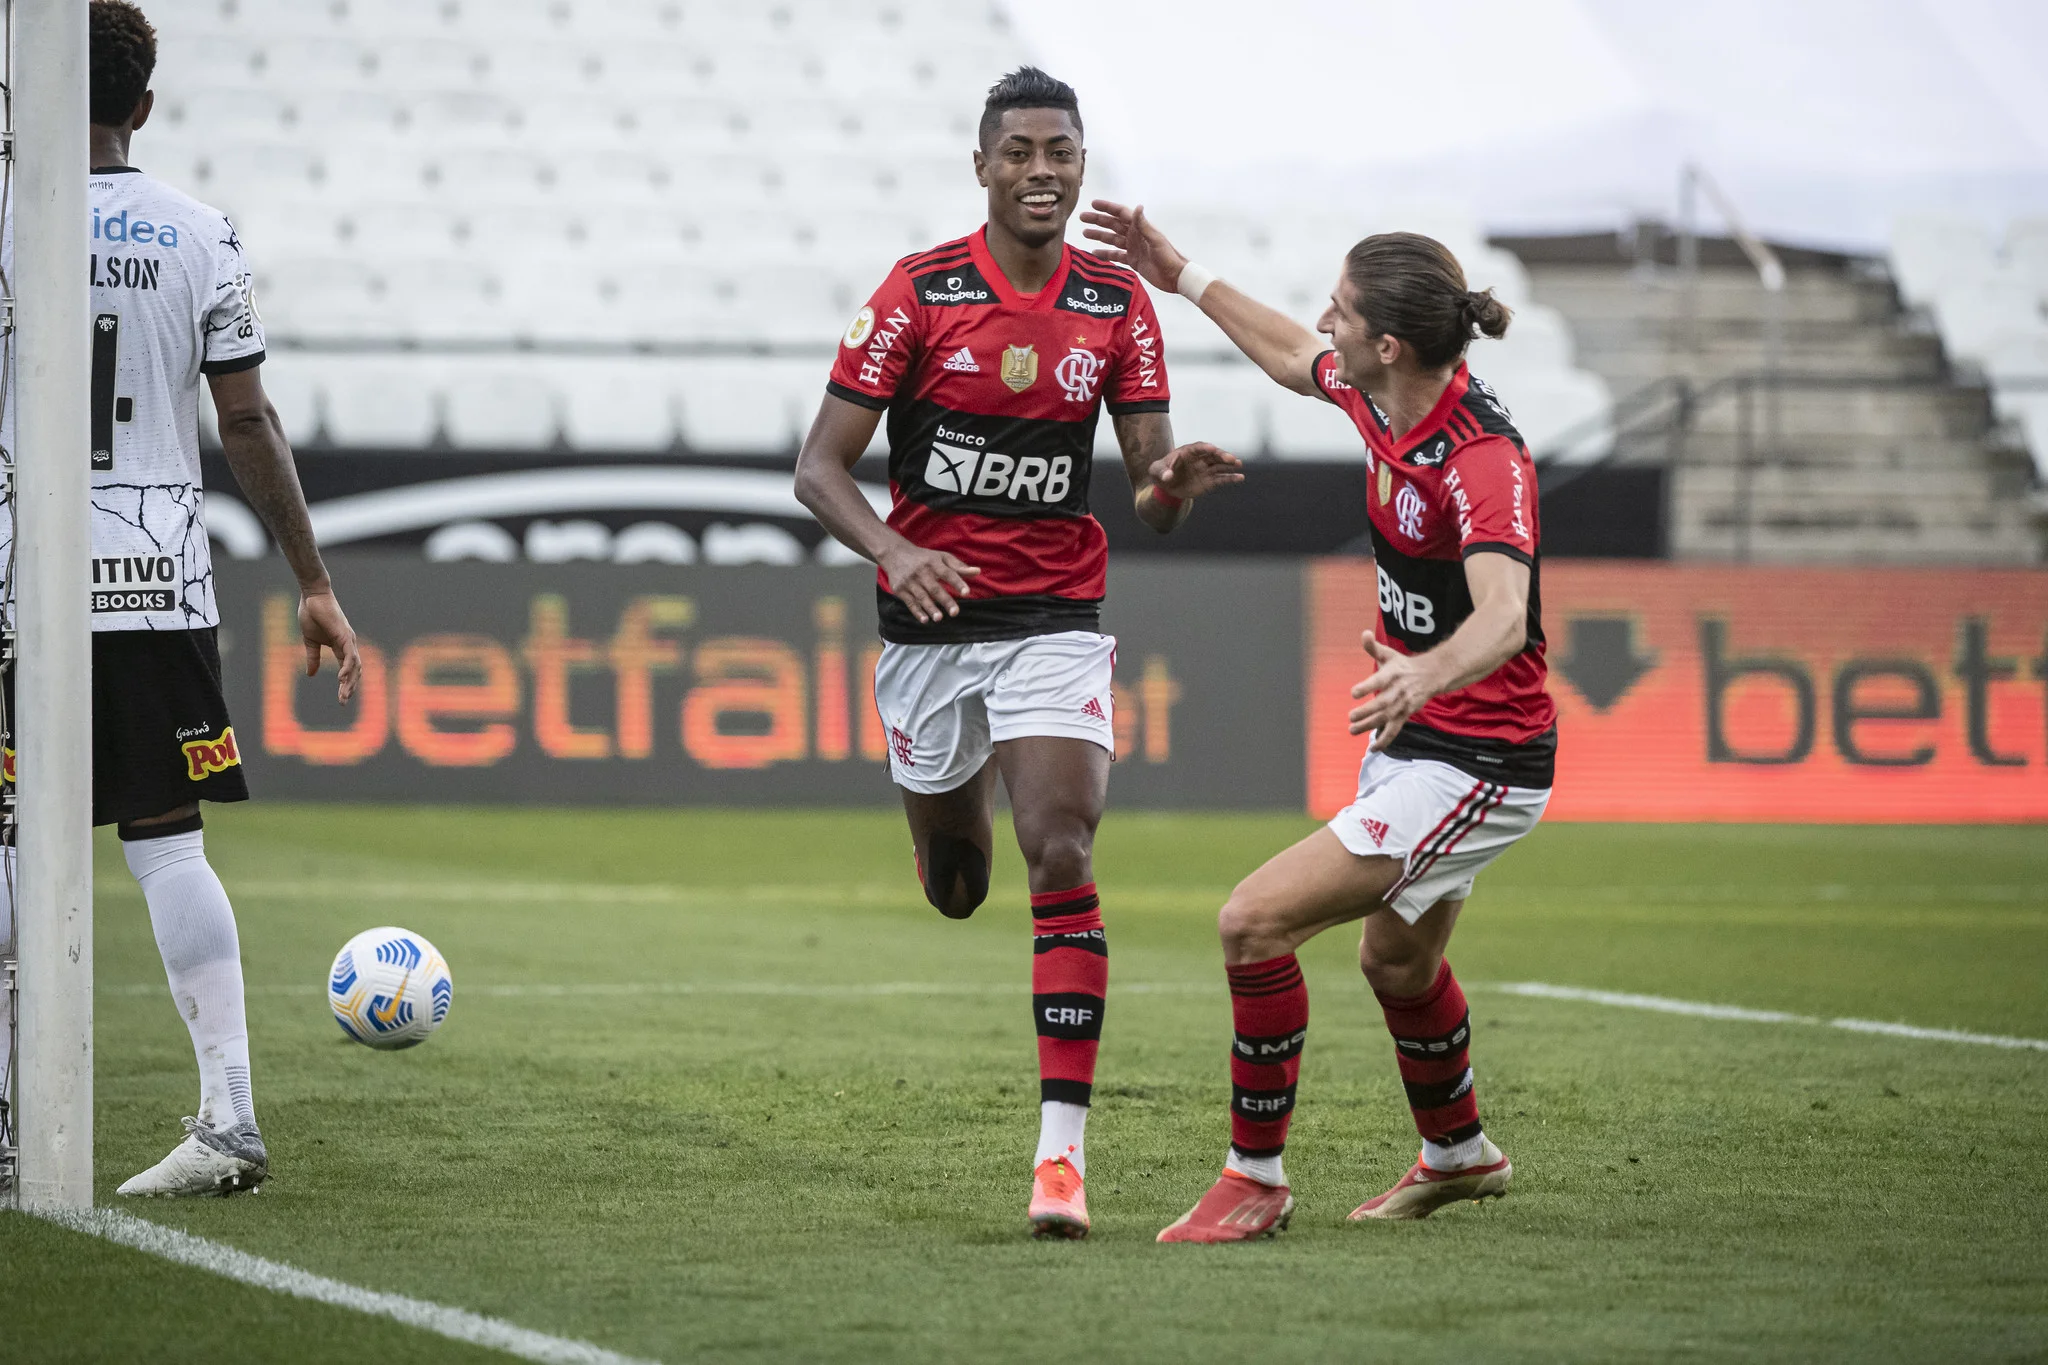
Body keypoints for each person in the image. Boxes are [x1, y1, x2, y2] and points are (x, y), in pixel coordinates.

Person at [795, 69, 1241, 1239]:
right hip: (930, 633)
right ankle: (946, 832)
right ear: (983, 166)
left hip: (1052, 616)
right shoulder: (918, 293)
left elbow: (1147, 491)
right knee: (957, 887)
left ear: (1082, 167)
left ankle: (1059, 1161)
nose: (1044, 171)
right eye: (1022, 153)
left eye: (1063, 153)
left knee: (1060, 844)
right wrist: (894, 552)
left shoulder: (1116, 306)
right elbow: (818, 469)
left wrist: (1169, 485)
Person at [1081, 202, 1556, 1241]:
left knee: (1251, 921)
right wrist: (1180, 272)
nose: (1322, 322)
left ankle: (1253, 1179)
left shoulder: (1479, 459)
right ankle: (1459, 1152)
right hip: (1422, 739)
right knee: (1395, 964)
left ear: (1388, 344)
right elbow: (1290, 355)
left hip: (1480, 756)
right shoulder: (1376, 396)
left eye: (1338, 310)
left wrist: (1423, 675)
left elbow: (1505, 616)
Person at [0, 0, 363, 1198]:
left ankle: (14, 1120)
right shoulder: (201, 230)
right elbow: (245, 419)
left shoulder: (9, 221)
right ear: (143, 103)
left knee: (9, 840)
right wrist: (311, 580)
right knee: (166, 841)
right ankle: (229, 1119)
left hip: (19, 578)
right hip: (154, 571)